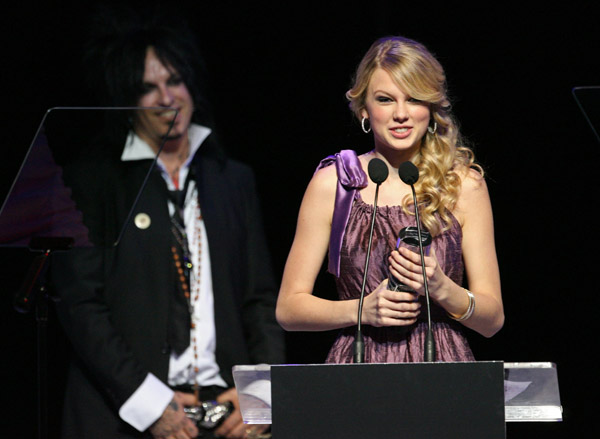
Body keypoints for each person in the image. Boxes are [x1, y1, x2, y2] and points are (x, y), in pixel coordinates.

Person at [52, 13, 284, 439]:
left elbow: (260, 299)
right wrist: (150, 403)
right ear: (127, 100)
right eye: (148, 88)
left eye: (175, 81)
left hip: (226, 413)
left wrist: (260, 398)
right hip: (127, 414)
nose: (166, 97)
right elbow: (80, 304)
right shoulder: (91, 181)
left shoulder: (232, 180)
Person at [276, 36, 503, 363]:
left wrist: (443, 288)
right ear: (364, 109)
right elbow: (288, 309)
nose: (400, 114)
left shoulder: (463, 185)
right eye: (385, 99)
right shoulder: (336, 183)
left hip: (440, 368)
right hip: (358, 366)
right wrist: (362, 310)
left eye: (414, 99)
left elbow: (492, 320)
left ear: (431, 107)